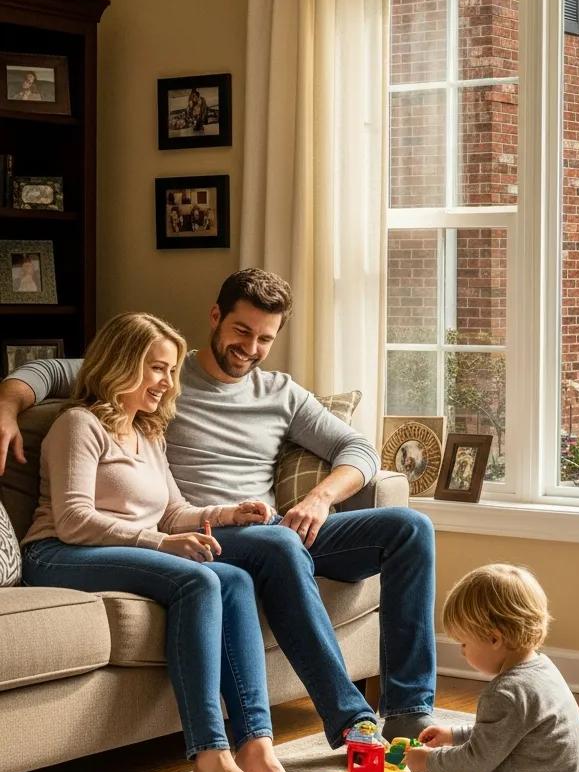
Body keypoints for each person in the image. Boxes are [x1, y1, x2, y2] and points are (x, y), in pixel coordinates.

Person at [0, 268, 436, 747]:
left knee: (409, 528)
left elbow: (360, 450)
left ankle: (409, 710)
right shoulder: (158, 374)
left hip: (265, 524)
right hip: (212, 533)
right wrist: (5, 407)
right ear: (216, 317)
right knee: (277, 544)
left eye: (264, 338)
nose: (250, 348)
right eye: (241, 331)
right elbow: (46, 372)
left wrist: (318, 499)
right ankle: (350, 718)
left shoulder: (282, 394)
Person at [20, 312, 314, 772]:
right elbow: (72, 520)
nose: (167, 383)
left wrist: (227, 513)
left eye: (172, 371)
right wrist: (158, 544)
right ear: (121, 365)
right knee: (199, 582)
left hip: (111, 548)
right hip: (57, 554)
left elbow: (174, 511)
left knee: (235, 578)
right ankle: (209, 759)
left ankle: (256, 745)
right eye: (157, 369)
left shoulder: (148, 433)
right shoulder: (79, 424)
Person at [297, 564, 579, 772]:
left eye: (464, 644)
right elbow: (504, 735)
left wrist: (429, 762)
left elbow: (478, 759)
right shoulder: (542, 669)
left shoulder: (506, 692)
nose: (463, 653)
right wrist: (453, 735)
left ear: (494, 639)